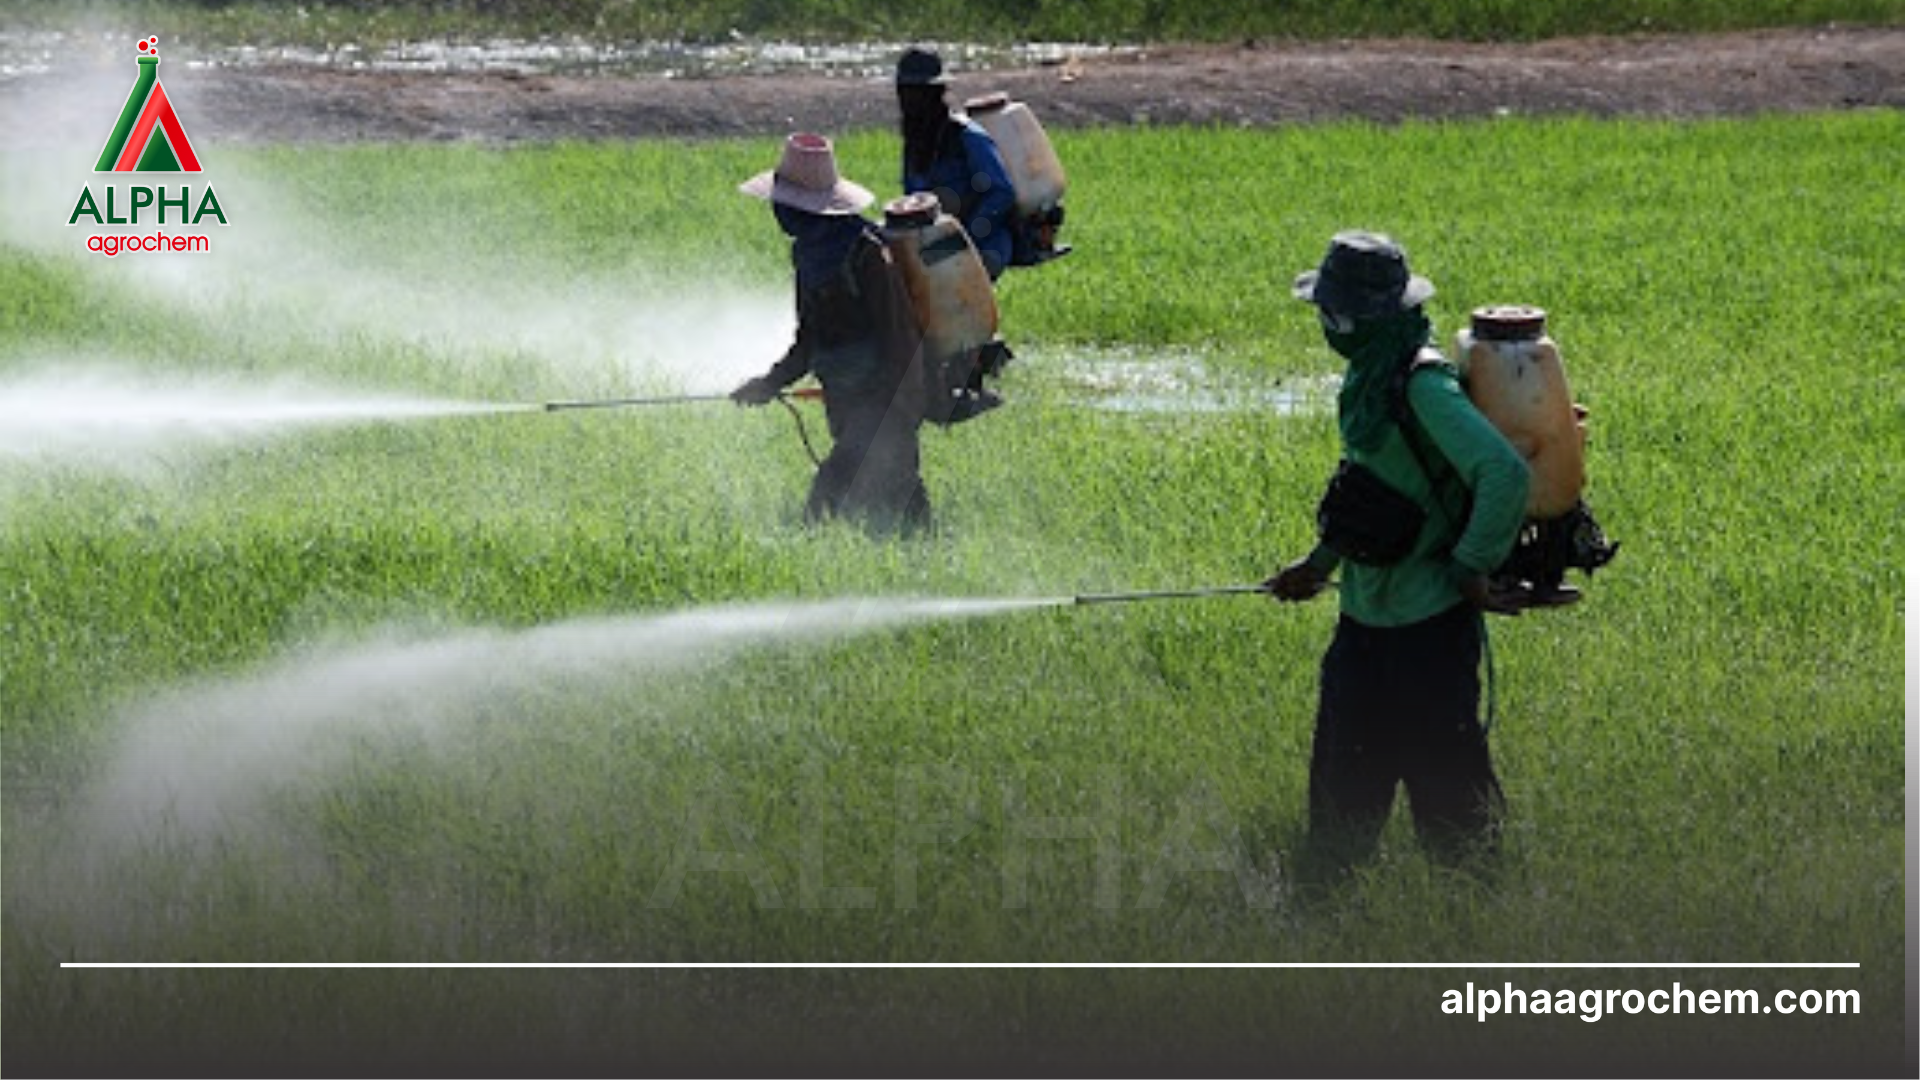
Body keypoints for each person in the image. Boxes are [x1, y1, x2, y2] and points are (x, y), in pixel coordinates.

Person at [1265, 231, 1531, 880]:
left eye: (1332, 312)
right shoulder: (1369, 381)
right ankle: (1329, 913)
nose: (1326, 324)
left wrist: (1469, 567)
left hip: (1430, 629)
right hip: (1364, 621)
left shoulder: (1421, 385)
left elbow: (1504, 474)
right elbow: (1369, 490)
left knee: (1453, 813)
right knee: (1339, 799)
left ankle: (1477, 925)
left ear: (1363, 317)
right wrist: (1321, 564)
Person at [730, 133, 932, 534]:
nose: (778, 212)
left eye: (784, 204)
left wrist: (901, 411)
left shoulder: (868, 255)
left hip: (883, 401)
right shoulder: (808, 257)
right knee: (896, 498)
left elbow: (901, 336)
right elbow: (809, 340)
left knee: (827, 499)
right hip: (845, 400)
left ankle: (809, 554)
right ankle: (933, 554)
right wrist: (768, 383)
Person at [894, 47, 1018, 281]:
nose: (908, 100)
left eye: (916, 92)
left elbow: (1002, 193)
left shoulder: (968, 136)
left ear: (935, 93)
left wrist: (962, 240)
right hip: (937, 247)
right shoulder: (915, 142)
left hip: (984, 242)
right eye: (904, 91)